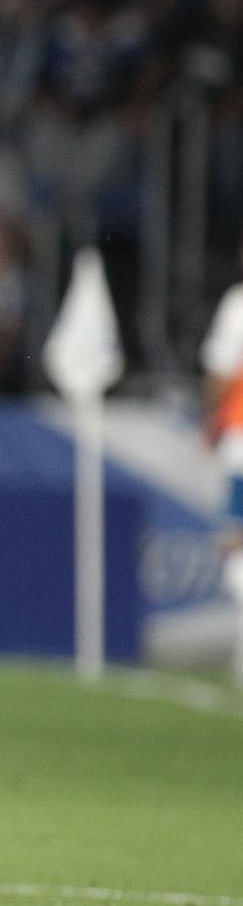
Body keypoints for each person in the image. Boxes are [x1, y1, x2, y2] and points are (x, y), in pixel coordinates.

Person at [199, 245, 243, 680]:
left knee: (234, 542)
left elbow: (220, 370)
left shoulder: (238, 304)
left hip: (240, 438)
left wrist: (208, 420)